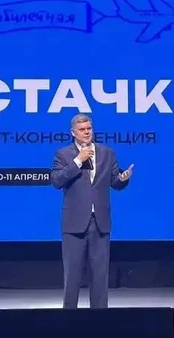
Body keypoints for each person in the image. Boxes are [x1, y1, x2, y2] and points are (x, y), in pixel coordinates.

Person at [50, 114, 134, 309]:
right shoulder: (63, 154)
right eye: (82, 130)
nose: (87, 132)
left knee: (100, 276)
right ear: (73, 133)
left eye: (89, 128)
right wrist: (78, 161)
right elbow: (56, 181)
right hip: (74, 223)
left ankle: (99, 319)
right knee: (72, 276)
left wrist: (123, 179)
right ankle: (68, 318)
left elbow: (114, 182)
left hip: (100, 222)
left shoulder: (107, 153)